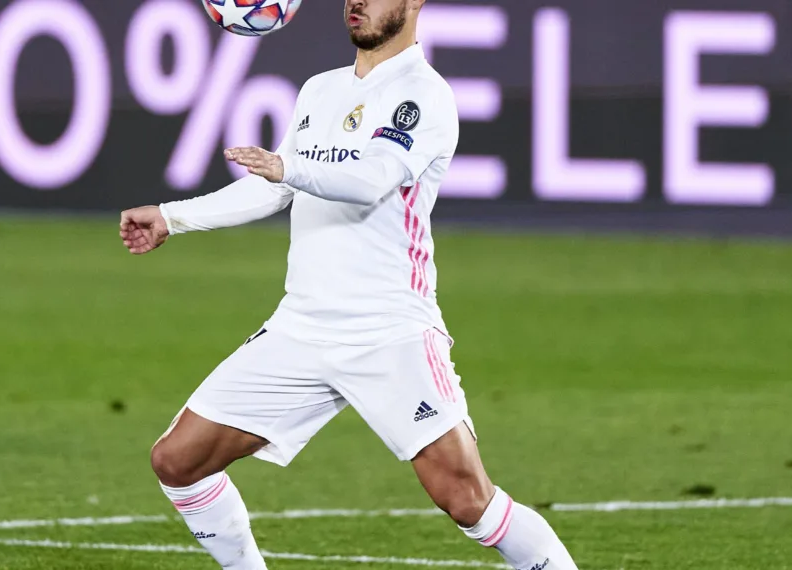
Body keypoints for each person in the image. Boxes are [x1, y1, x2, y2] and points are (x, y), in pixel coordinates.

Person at [118, 1, 579, 568]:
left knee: (467, 500)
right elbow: (274, 188)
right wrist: (173, 216)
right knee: (177, 461)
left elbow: (370, 180)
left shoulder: (424, 94)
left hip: (390, 330)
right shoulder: (320, 90)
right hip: (302, 327)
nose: (356, 2)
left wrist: (288, 167)